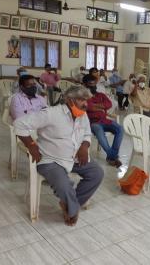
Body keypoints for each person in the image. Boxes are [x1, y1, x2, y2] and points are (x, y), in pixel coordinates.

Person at [13, 85, 104, 226]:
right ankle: (72, 210)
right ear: (69, 100)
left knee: (97, 173)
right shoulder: (51, 114)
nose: (86, 104)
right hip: (50, 159)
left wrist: (84, 146)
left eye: (86, 100)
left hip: (73, 158)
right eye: (81, 100)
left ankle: (69, 204)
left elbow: (87, 133)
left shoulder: (82, 114)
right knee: (64, 185)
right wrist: (32, 147)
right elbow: (19, 124)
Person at [83, 74, 123, 167]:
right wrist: (100, 107)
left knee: (120, 129)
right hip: (93, 123)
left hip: (104, 120)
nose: (93, 86)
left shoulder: (100, 95)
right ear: (85, 85)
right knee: (98, 130)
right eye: (90, 84)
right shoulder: (83, 97)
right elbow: (88, 107)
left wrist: (95, 106)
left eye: (94, 84)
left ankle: (111, 156)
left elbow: (109, 104)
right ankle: (113, 157)